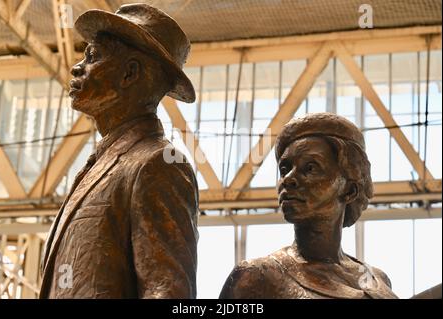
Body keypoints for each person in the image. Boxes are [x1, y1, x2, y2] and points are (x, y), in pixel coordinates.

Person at [40, 4, 199, 298]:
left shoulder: (157, 164)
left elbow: (168, 291)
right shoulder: (101, 165)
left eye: (92, 57)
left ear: (129, 73)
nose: (77, 67)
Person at [220, 113, 398, 299]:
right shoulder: (257, 277)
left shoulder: (377, 279)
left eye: (310, 168)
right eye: (284, 169)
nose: (287, 179)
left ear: (350, 190)